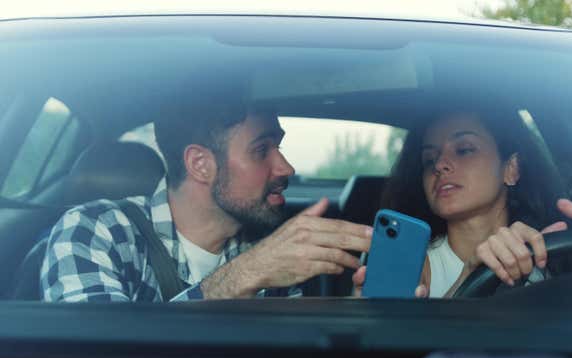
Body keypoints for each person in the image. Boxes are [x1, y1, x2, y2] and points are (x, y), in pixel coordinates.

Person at [41, 101, 372, 302]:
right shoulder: (94, 232)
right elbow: (96, 352)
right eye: (261, 151)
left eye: (279, 147)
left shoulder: (268, 249)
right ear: (200, 164)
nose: (286, 168)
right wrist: (242, 277)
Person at [353, 108, 572, 298]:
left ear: (512, 169)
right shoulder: (415, 263)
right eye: (429, 159)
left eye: (464, 149)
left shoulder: (562, 253)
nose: (440, 164)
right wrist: (471, 277)